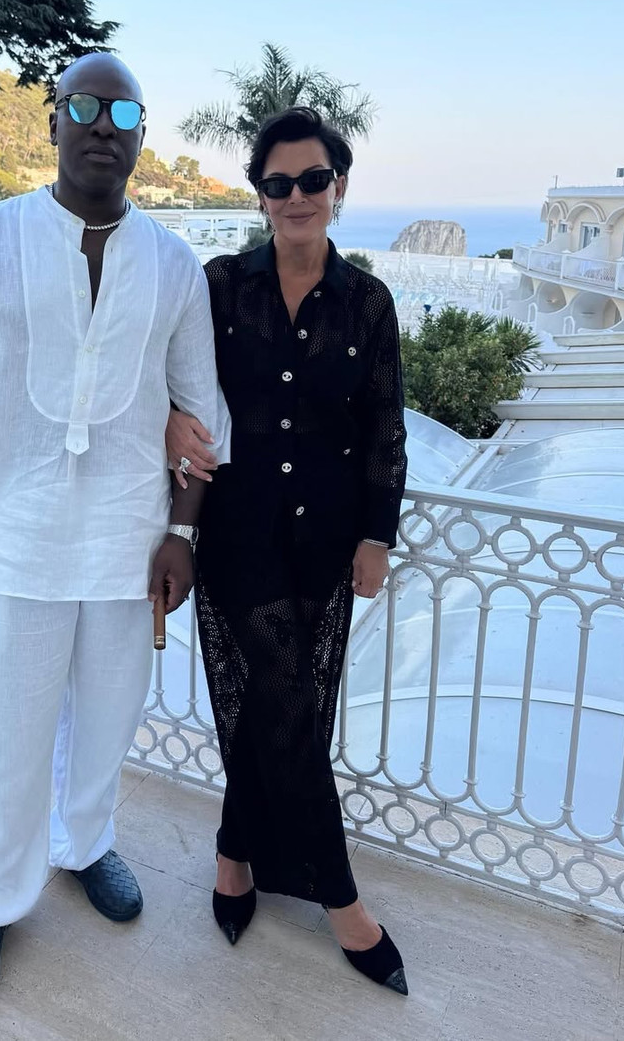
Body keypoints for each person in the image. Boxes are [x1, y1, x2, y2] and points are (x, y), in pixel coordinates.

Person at [0, 54, 226, 1011]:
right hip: (10, 539)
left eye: (123, 113)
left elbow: (199, 409)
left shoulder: (173, 264)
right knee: (3, 734)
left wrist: (182, 532)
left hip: (128, 539)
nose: (102, 127)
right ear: (53, 122)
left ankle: (83, 844)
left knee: (109, 718)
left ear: (141, 136)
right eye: (84, 106)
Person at [167, 106, 410, 994]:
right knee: (288, 709)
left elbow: (384, 427)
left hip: (326, 542)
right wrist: (169, 416)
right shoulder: (220, 285)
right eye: (279, 182)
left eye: (313, 180)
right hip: (238, 537)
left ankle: (234, 856)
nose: (297, 195)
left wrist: (377, 535)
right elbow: (167, 372)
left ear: (337, 188)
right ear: (260, 194)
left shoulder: (368, 302)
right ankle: (343, 903)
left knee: (278, 708)